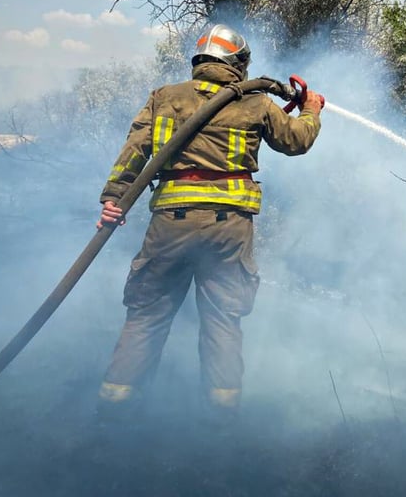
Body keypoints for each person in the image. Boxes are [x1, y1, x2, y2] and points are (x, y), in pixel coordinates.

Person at [95, 23, 323, 418]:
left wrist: (114, 199)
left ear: (200, 61)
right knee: (222, 319)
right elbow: (296, 141)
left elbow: (135, 151)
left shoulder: (165, 97)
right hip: (228, 230)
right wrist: (311, 109)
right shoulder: (256, 103)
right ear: (237, 64)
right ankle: (221, 419)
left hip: (170, 225)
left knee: (147, 314)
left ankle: (116, 409)